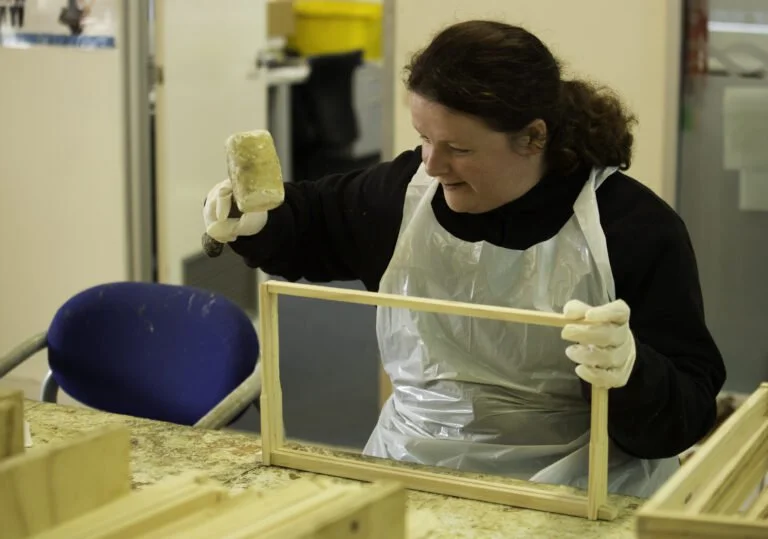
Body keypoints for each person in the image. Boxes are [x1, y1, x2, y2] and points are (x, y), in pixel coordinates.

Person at [203, 20, 725, 498]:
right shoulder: (404, 195)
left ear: (533, 137)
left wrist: (633, 372)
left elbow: (688, 410)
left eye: (459, 149)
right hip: (411, 471)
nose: (432, 164)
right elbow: (313, 220)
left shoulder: (633, 228)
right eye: (424, 139)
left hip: (576, 490)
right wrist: (257, 220)